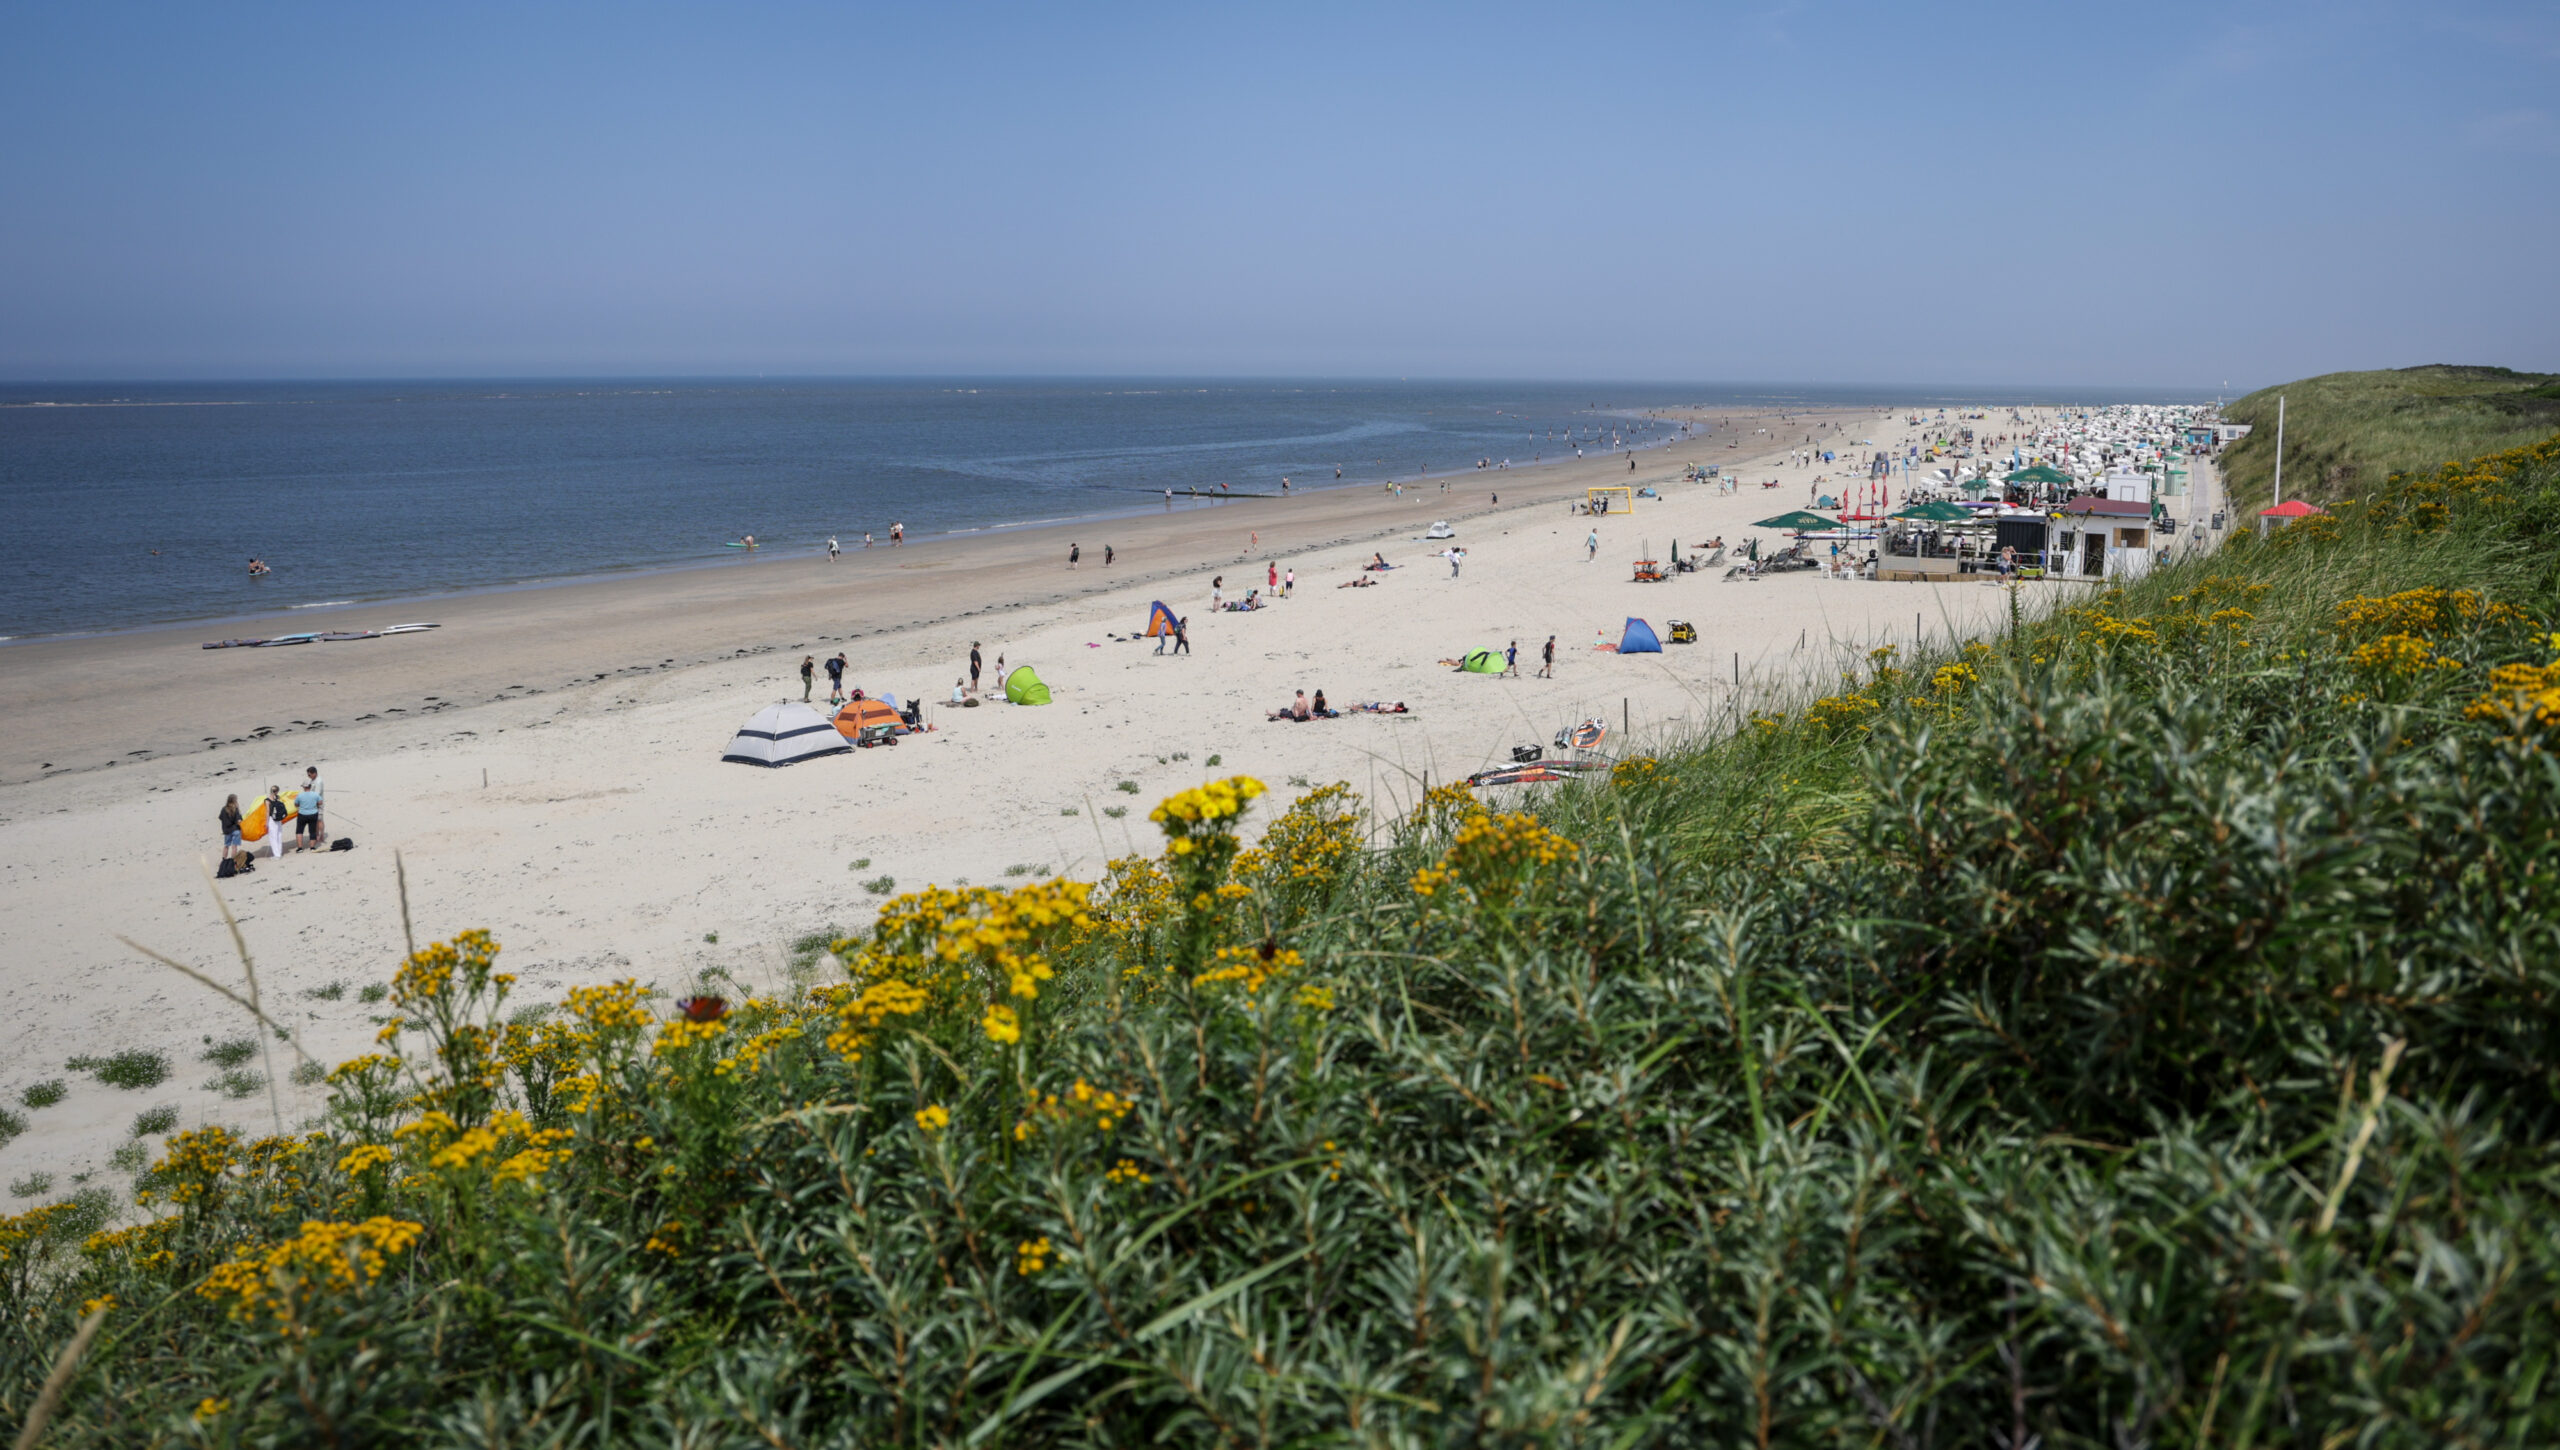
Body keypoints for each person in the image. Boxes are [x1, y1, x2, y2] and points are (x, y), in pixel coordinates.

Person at [295, 776, 325, 849]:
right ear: (310, 786)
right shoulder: (315, 794)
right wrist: (315, 804)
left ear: (304, 787)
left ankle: (300, 848)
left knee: (299, 831)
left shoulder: (300, 795)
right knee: (312, 831)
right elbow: (320, 802)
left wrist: (302, 804)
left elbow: (296, 804)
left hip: (302, 815)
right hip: (313, 814)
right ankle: (312, 847)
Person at [219, 794, 248, 868]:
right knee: (234, 847)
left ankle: (223, 860)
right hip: (235, 830)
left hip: (227, 830)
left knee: (226, 846)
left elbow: (221, 818)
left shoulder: (223, 809)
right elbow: (239, 820)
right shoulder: (235, 809)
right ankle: (232, 861)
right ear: (234, 800)